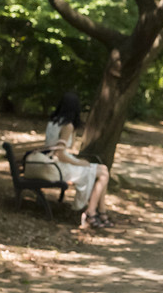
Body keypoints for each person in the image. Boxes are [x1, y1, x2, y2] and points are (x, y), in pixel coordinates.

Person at [43, 93, 113, 228]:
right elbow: (60, 154)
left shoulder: (53, 121)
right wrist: (80, 163)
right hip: (58, 166)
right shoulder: (67, 125)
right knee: (103, 173)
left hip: (51, 162)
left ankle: (100, 211)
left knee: (103, 169)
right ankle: (91, 212)